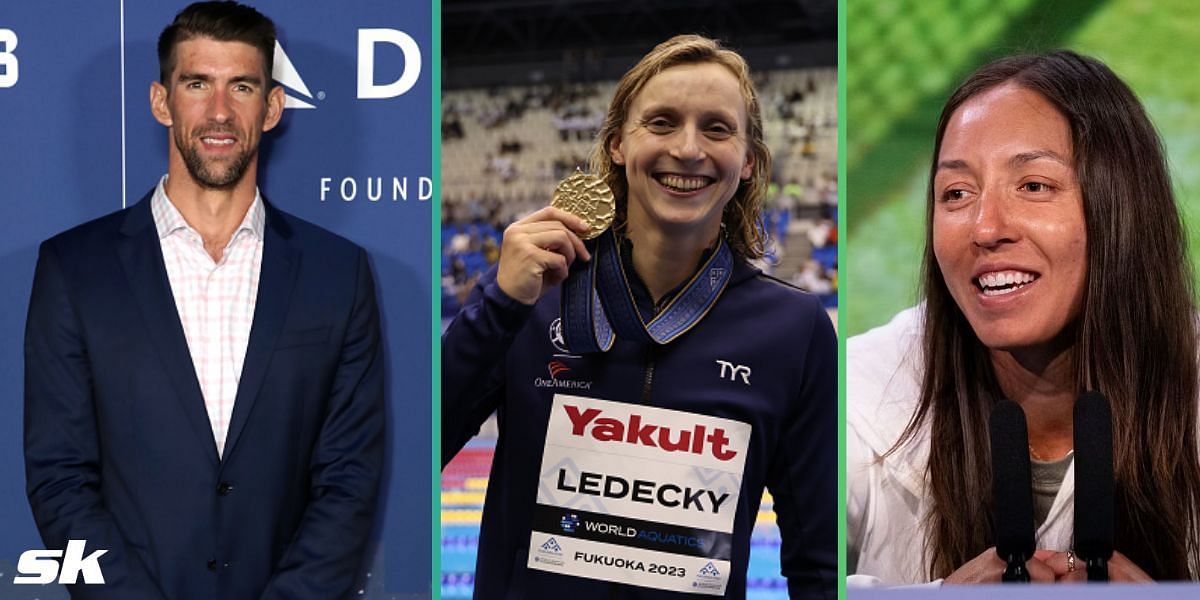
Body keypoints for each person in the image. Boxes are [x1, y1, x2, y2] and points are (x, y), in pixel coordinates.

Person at [442, 34, 836, 598]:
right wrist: (499, 307)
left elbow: (818, 563)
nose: (689, 148)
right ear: (618, 145)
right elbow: (415, 451)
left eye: (717, 129)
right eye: (661, 122)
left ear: (747, 161)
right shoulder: (530, 298)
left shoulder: (793, 331)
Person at [24, 2, 384, 598]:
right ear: (161, 101)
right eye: (197, 84)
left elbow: (349, 478)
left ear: (271, 108)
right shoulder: (73, 269)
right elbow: (61, 480)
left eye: (241, 86)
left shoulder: (338, 272)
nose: (219, 112)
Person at [847, 50, 1200, 585]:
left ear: (1122, 205)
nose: (986, 228)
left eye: (1034, 186)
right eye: (956, 193)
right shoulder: (855, 392)